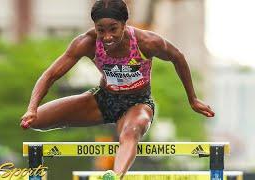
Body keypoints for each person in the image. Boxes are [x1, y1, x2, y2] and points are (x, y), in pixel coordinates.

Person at [20, 0, 215, 179]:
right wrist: (31, 107)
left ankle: (115, 176)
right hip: (103, 100)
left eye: (113, 29)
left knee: (130, 131)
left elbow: (178, 57)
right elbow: (50, 75)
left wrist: (193, 99)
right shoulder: (86, 43)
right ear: (94, 27)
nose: (107, 37)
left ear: (124, 24)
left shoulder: (147, 42)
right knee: (37, 119)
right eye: (100, 30)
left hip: (138, 103)